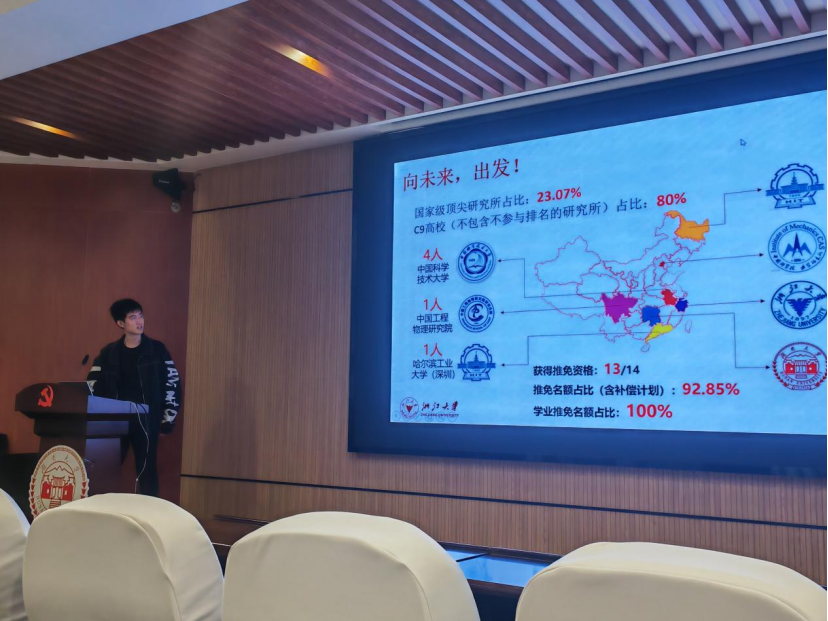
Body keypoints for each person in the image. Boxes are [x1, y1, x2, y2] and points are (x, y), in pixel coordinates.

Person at [86, 299, 181, 497]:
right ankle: (101, 509)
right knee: (105, 469)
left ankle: (150, 512)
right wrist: (96, 419)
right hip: (114, 421)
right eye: (132, 317)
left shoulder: (157, 350)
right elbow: (92, 385)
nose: (139, 321)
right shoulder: (108, 353)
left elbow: (172, 384)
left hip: (147, 419)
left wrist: (167, 419)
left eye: (140, 316)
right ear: (121, 323)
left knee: (147, 471)